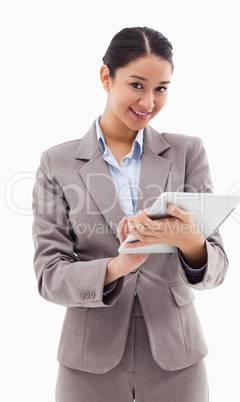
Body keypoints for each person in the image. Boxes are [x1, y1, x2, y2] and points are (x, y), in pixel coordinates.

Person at [32, 26, 228, 402]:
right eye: (137, 85)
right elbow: (48, 276)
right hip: (88, 361)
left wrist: (191, 244)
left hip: (177, 357)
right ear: (106, 76)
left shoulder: (187, 153)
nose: (149, 101)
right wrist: (116, 267)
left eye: (161, 88)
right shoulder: (57, 163)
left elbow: (217, 267)